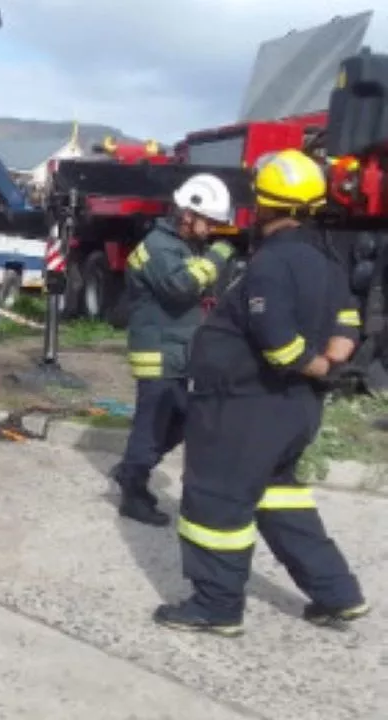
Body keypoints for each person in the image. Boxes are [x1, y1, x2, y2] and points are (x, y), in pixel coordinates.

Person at [155, 149, 369, 636]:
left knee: (216, 502)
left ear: (266, 204)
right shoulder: (327, 260)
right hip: (292, 412)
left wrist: (315, 366)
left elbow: (278, 342)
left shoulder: (271, 263)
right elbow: (349, 317)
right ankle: (337, 593)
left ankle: (216, 605)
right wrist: (336, 359)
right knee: (280, 498)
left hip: (244, 408)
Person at [114, 173, 239, 527]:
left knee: (182, 422)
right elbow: (181, 287)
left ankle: (131, 469)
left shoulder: (180, 247)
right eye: (209, 221)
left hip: (178, 353)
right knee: (151, 429)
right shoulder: (158, 247)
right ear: (188, 213)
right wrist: (217, 257)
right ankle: (132, 492)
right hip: (159, 356)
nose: (212, 229)